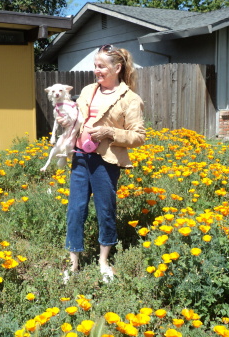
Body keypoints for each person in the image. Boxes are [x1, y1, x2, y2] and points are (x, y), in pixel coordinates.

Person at [61, 44, 146, 283]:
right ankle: (73, 263)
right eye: (95, 66)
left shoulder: (130, 99)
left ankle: (103, 261)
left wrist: (109, 132)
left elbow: (138, 136)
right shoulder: (88, 90)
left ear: (117, 68)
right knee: (75, 209)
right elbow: (77, 119)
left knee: (105, 210)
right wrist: (66, 121)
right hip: (80, 157)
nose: (96, 71)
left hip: (106, 161)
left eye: (101, 66)